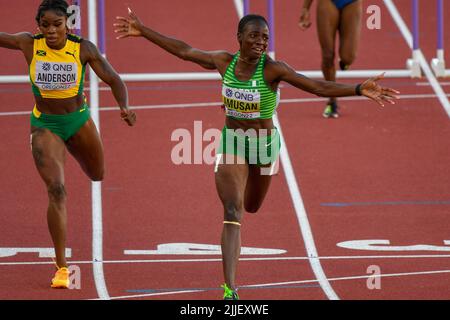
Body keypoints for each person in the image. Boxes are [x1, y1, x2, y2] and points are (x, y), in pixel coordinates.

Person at [114, 9, 398, 300]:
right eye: (254, 36)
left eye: (265, 37)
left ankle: (242, 204)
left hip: (264, 146)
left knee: (251, 206)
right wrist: (143, 30)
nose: (261, 42)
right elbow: (185, 51)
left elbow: (316, 87)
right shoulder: (223, 61)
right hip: (233, 142)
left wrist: (358, 89)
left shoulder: (274, 69)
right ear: (239, 38)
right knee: (232, 211)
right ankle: (230, 289)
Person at [0, 0, 136, 288]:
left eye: (57, 25)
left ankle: (75, 153)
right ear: (38, 25)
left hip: (77, 120)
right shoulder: (28, 43)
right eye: (45, 24)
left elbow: (114, 79)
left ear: (68, 24)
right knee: (57, 190)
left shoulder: (83, 48)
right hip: (45, 125)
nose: (51, 31)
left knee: (98, 174)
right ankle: (62, 266)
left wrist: (124, 106)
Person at [299, 0, 362, 118]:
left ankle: (345, 62)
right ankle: (332, 100)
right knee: (327, 55)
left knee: (348, 57)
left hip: (352, 2)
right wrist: (305, 9)